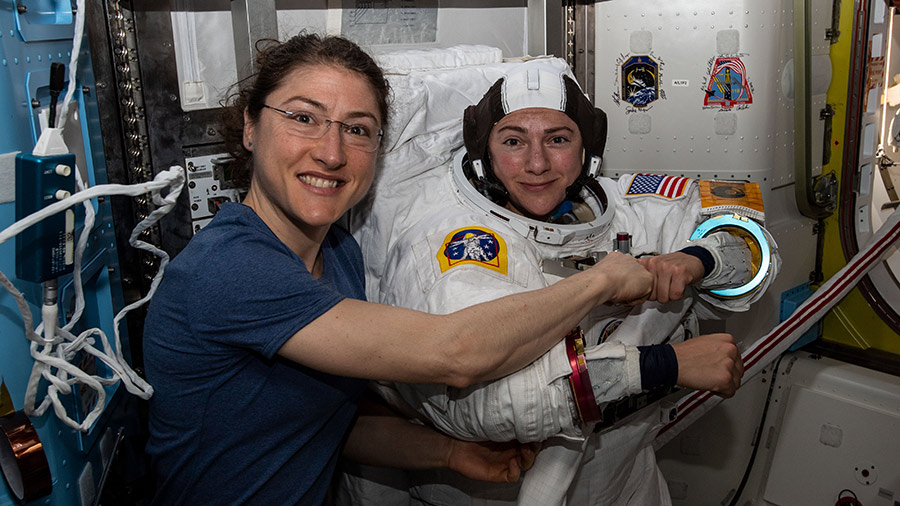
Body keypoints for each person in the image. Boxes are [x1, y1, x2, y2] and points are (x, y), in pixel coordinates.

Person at [140, 35, 658, 506]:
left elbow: (328, 423)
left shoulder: (337, 255)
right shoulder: (231, 268)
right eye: (304, 118)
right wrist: (603, 280)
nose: (331, 151)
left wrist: (449, 454)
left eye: (357, 129)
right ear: (251, 127)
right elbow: (454, 353)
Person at [339, 58, 780, 505]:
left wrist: (699, 257)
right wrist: (665, 364)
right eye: (513, 141)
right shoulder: (460, 241)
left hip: (626, 479)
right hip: (494, 491)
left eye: (558, 140)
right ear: (484, 152)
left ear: (588, 144)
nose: (537, 163)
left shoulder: (628, 206)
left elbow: (751, 236)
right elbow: (494, 405)